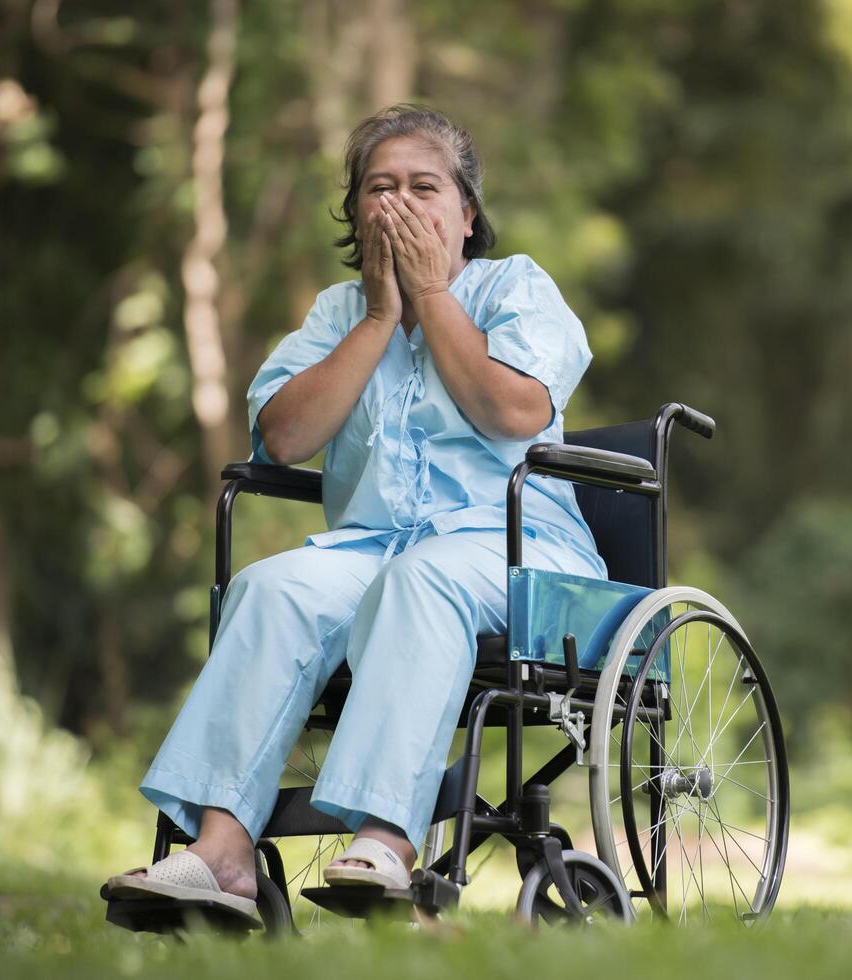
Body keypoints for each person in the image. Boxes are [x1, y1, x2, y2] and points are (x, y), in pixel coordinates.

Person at [104, 105, 605, 919]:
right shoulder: (338, 313)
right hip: (371, 550)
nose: (400, 204)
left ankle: (386, 842)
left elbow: (514, 413)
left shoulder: (514, 287)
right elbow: (285, 434)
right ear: (355, 214)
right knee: (270, 588)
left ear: (466, 213)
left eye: (423, 186)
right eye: (380, 188)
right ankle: (223, 853)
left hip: (513, 549)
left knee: (422, 579)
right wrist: (380, 318)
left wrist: (432, 295)